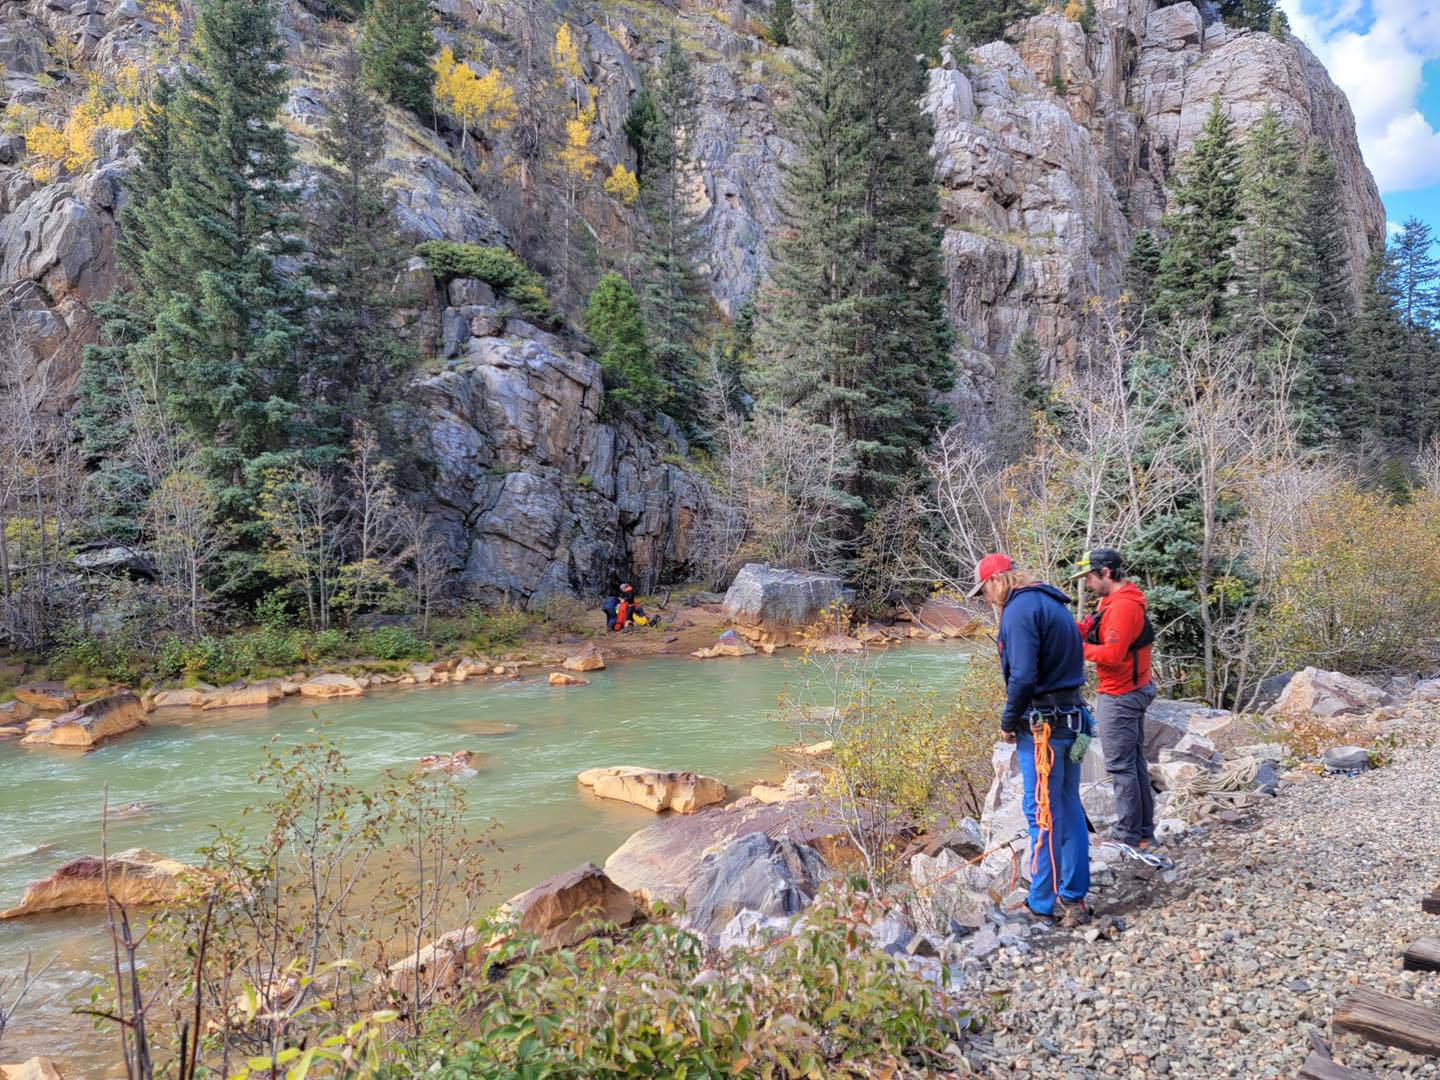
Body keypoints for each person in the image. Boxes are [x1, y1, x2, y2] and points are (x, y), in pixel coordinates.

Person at [969, 552, 1092, 925]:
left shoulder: (1019, 612)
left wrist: (1008, 720)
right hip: (1073, 719)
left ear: (996, 582)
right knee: (1068, 806)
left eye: (984, 592)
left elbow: (1022, 676)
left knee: (1041, 812)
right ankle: (1073, 895)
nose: (986, 600)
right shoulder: (1052, 603)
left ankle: (1041, 902)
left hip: (1045, 730)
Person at [1071, 548, 1158, 850]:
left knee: (1121, 766)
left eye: (1089, 578)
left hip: (1121, 694)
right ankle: (1144, 831)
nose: (1088, 584)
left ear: (1105, 572)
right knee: (1134, 762)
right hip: (1130, 689)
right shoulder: (1112, 602)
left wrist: (1074, 648)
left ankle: (1128, 834)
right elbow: (1099, 632)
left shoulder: (1123, 607)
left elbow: (1111, 654)